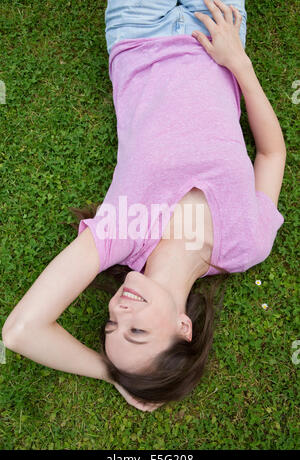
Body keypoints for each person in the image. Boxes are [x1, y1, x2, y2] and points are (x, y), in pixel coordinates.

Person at [2, 0, 286, 412]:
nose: (119, 308)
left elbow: (19, 332)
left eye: (111, 324)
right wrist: (239, 63)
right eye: (136, 331)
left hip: (137, 31)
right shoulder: (247, 245)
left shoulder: (121, 236)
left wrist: (112, 374)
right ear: (183, 328)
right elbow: (271, 155)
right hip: (216, 34)